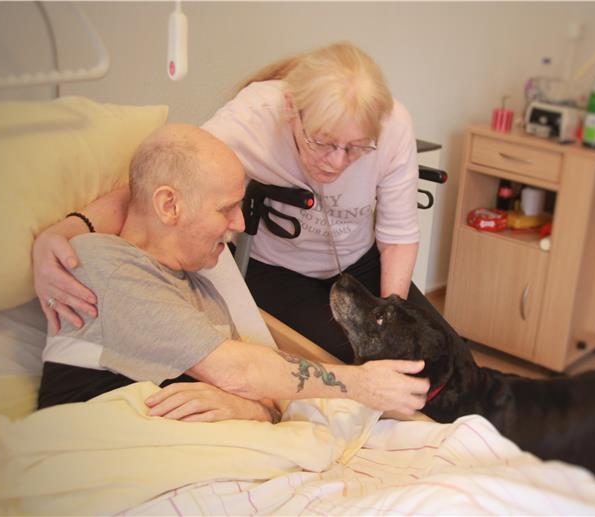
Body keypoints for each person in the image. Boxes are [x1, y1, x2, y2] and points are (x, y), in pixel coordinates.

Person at [32, 41, 446, 364]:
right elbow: (156, 187)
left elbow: (397, 236)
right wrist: (67, 229)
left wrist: (393, 320)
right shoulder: (252, 119)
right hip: (280, 274)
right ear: (291, 109)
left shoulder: (393, 126)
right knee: (356, 361)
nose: (337, 162)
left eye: (355, 149)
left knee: (438, 354)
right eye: (322, 141)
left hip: (362, 264)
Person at [36, 123, 429, 422]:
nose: (240, 223)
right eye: (226, 208)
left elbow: (270, 397)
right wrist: (363, 386)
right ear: (170, 207)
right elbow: (239, 371)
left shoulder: (206, 282)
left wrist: (242, 408)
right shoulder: (107, 266)